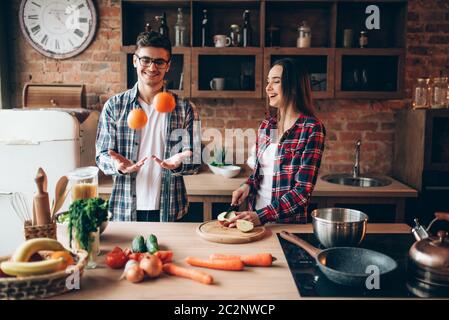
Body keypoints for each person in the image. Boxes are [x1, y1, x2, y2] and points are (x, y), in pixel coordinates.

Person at [96, 31, 200, 222]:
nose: (152, 67)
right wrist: (117, 165)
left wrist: (180, 163)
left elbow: (194, 160)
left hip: (171, 209)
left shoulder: (185, 108)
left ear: (168, 66)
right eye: (145, 60)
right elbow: (102, 155)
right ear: (135, 61)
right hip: (125, 208)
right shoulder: (115, 106)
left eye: (159, 62)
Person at [229, 58, 325, 226]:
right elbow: (261, 173)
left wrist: (262, 215)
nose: (268, 88)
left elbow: (302, 192)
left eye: (276, 82)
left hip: (285, 225)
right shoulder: (268, 126)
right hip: (254, 220)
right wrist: (247, 186)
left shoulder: (310, 128)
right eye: (268, 82)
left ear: (294, 87)